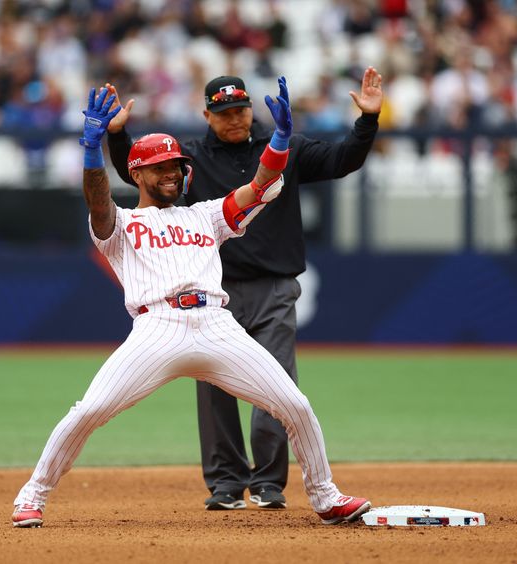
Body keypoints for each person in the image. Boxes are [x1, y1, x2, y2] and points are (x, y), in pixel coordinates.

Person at [11, 81, 372, 528]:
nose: (170, 173)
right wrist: (91, 150)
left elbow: (259, 187)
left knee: (294, 405)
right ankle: (33, 494)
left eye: (176, 166)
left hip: (216, 324)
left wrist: (278, 142)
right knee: (89, 411)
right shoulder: (121, 223)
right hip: (156, 328)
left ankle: (325, 496)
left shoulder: (205, 214)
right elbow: (98, 203)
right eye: (159, 166)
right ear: (137, 174)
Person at [105, 68, 382, 510]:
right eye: (223, 112)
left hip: (274, 286)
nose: (234, 118)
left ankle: (270, 484)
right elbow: (142, 174)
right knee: (213, 390)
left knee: (276, 384)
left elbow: (343, 160)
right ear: (207, 115)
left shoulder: (284, 147)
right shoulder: (191, 158)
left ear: (251, 109)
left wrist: (367, 119)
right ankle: (226, 484)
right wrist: (118, 137)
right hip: (213, 293)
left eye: (240, 109)